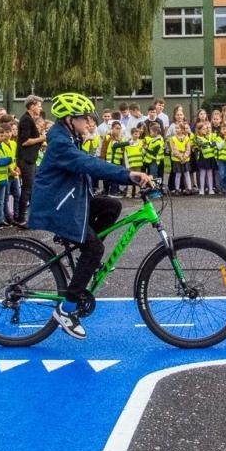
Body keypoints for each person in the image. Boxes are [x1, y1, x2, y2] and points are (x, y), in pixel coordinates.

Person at [26, 92, 153, 340]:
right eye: (85, 118)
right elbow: (88, 165)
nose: (89, 123)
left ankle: (87, 258)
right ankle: (67, 308)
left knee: (111, 206)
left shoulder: (69, 136)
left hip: (72, 201)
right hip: (58, 208)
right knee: (94, 249)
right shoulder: (62, 143)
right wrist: (127, 175)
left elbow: (87, 163)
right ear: (70, 119)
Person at [14, 96, 45, 226]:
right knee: (27, 189)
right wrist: (41, 138)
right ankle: (21, 218)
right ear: (32, 106)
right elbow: (25, 141)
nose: (40, 108)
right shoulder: (26, 120)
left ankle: (28, 216)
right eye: (38, 105)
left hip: (30, 158)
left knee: (30, 188)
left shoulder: (29, 119)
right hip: (25, 159)